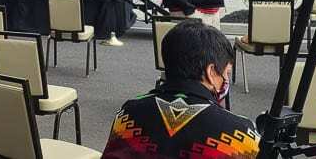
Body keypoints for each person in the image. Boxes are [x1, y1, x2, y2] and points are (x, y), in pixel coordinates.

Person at [103, 19, 258, 159]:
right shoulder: (240, 133)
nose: (226, 79)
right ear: (211, 72)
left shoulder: (128, 114)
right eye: (226, 73)